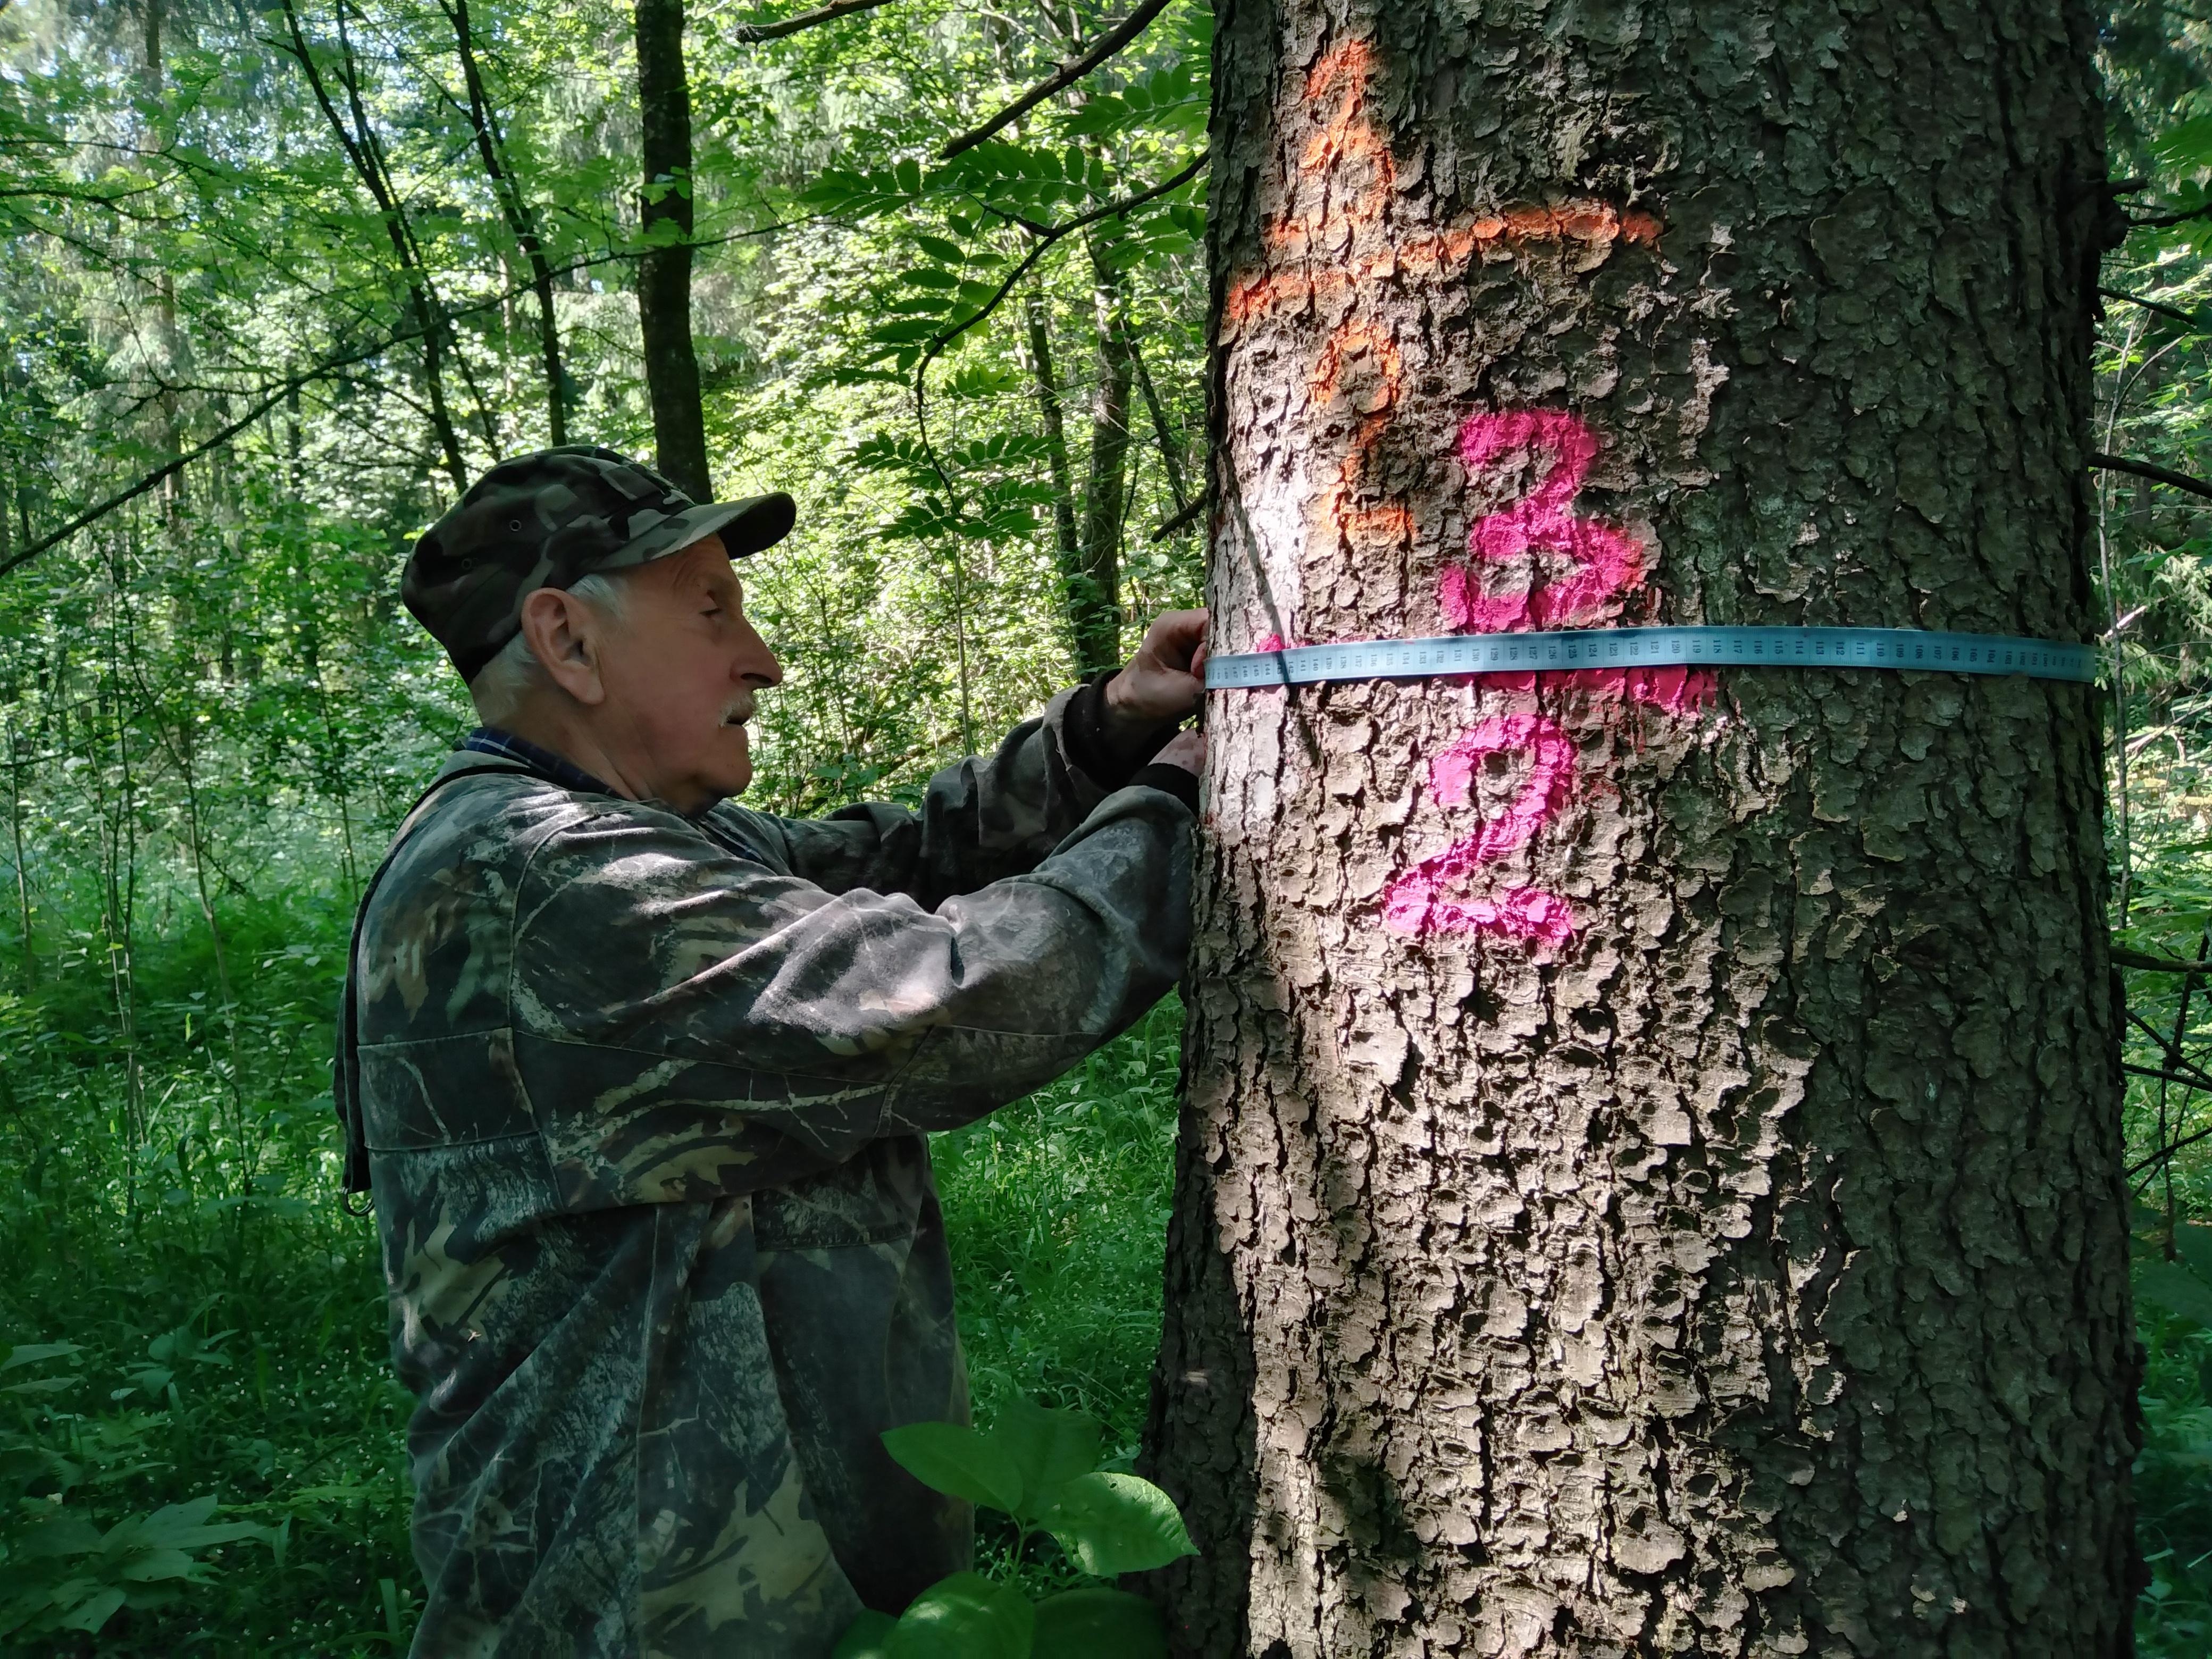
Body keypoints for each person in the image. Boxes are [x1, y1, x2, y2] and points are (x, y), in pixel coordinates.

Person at [333, 445, 1206, 1656]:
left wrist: (1105, 734)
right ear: (565, 642)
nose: (763, 658)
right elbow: (951, 1000)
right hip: (646, 1618)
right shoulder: (548, 880)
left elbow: (903, 864)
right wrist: (1181, 800)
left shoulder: (629, 837)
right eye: (712, 612)